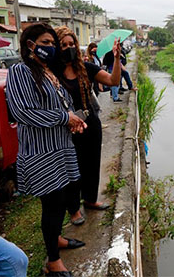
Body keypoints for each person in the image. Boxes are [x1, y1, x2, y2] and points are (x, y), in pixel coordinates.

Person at [6, 23, 86, 277]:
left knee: (60, 200)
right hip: (42, 153)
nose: (51, 48)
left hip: (60, 147)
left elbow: (63, 106)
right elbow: (23, 112)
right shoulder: (21, 71)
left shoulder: (48, 72)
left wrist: (74, 119)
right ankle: (53, 261)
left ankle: (57, 238)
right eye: (45, 43)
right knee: (51, 205)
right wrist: (65, 118)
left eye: (53, 43)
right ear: (30, 45)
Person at [55, 26, 121, 222]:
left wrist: (116, 58)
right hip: (68, 128)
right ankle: (74, 209)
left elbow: (113, 80)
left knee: (92, 164)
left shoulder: (86, 68)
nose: (69, 48)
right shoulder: (53, 74)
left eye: (72, 44)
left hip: (90, 123)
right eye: (64, 45)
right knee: (72, 169)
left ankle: (91, 199)